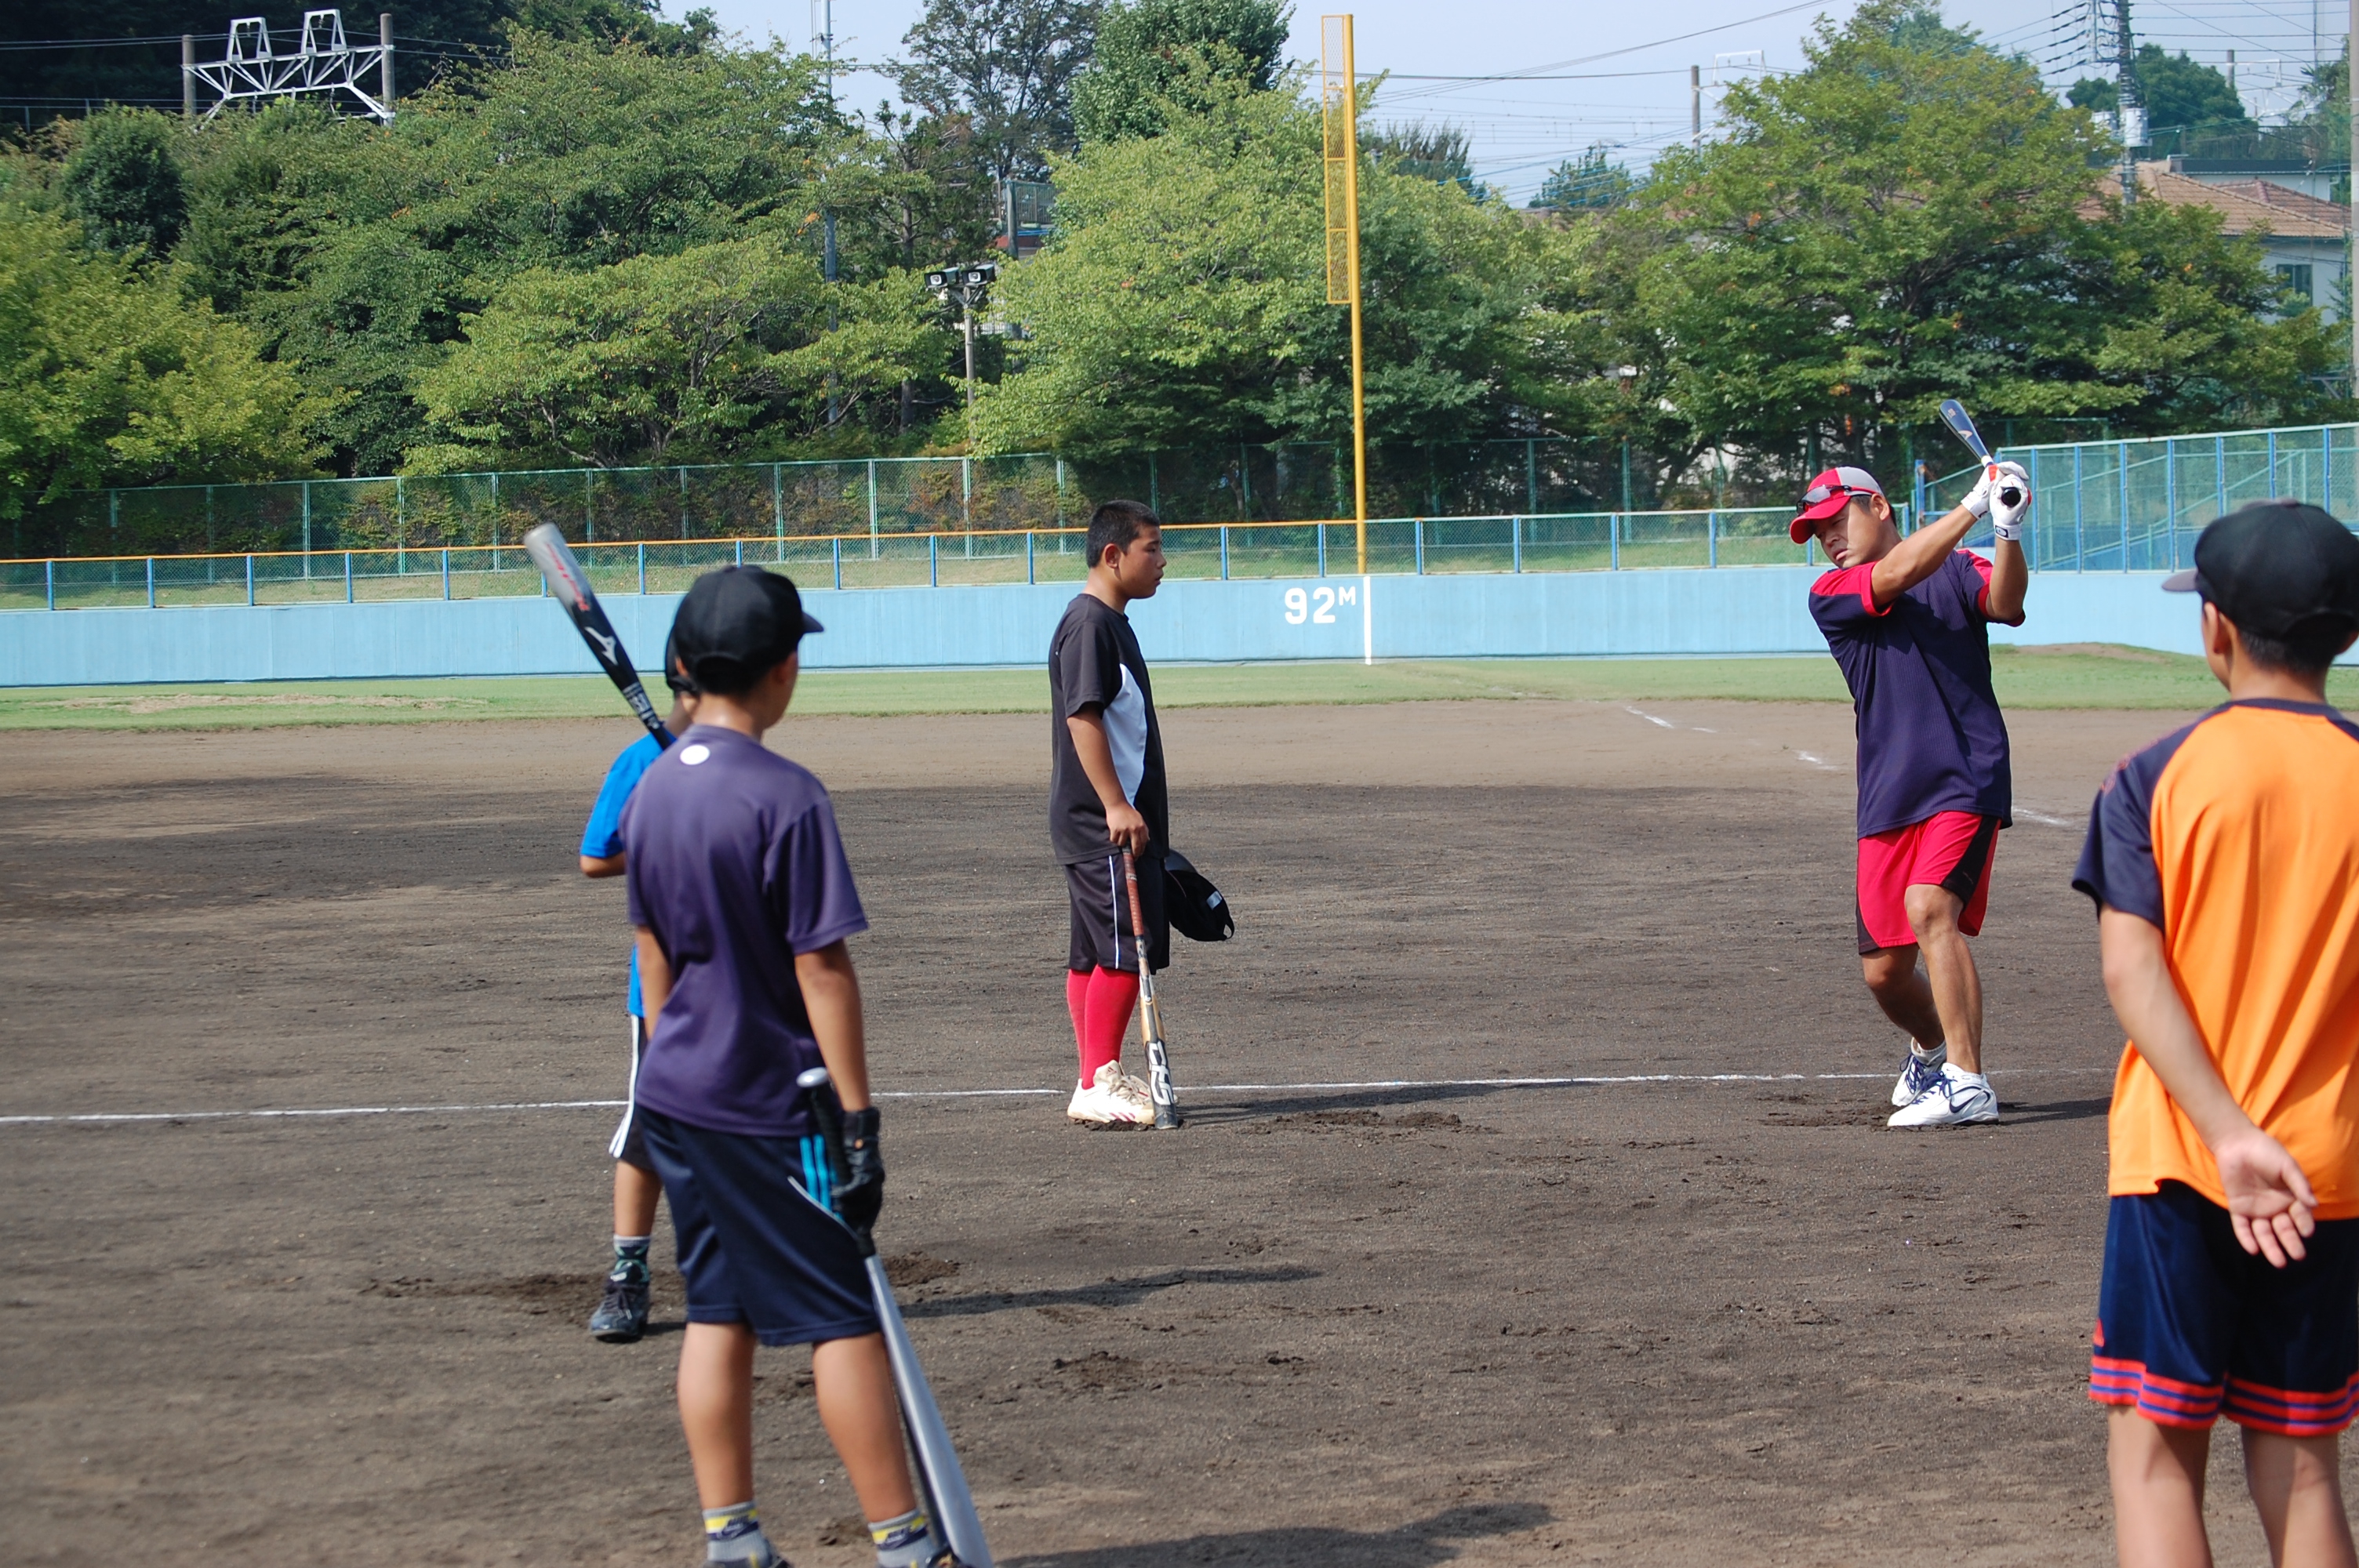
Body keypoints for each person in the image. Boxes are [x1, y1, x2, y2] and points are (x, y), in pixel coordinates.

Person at [623, 566, 969, 1568]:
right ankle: (904, 1545)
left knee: (717, 1309)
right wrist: (857, 1120)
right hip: (774, 1101)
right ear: (783, 670)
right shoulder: (785, 794)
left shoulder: (651, 788)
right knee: (841, 1318)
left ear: (682, 666)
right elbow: (821, 969)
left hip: (677, 1090)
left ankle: (731, 1536)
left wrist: (668, 1066)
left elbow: (652, 957)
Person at [2074, 502, 2359, 1568]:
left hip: (2182, 1162)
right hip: (2328, 1174)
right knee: (2304, 1461)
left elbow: (2130, 968)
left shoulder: (2156, 774)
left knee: (2154, 1455)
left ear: (2216, 629)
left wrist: (2229, 1132)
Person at [1794, 459, 2029, 1127]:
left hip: (1966, 774)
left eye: (1837, 520)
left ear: (1879, 507)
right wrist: (1974, 505)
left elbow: (2006, 605)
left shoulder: (1959, 568)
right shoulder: (1832, 592)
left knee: (1930, 909)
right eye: (1817, 531)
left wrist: (2007, 529)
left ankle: (1968, 1081)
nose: (1829, 539)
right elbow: (1897, 574)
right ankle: (1930, 1049)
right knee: (1885, 972)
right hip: (1888, 794)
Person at [580, 641, 698, 1342]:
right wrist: (665, 839)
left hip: (746, 982)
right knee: (651, 1131)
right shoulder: (641, 761)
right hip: (664, 985)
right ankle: (629, 1271)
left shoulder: (739, 764)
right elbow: (596, 856)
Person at [1049, 499, 1170, 1127]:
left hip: (1104, 820)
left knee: (1094, 953)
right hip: (1104, 824)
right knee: (1126, 949)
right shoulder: (1090, 624)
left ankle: (1095, 1077)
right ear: (1113, 555)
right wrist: (1117, 804)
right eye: (1152, 548)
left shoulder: (1110, 622)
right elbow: (1083, 717)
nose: (1162, 561)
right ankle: (1098, 1081)